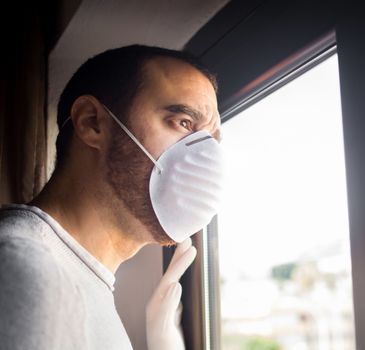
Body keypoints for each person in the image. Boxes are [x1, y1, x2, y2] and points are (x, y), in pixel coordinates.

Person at [0, 45, 224, 350]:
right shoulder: (28, 270)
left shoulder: (80, 277)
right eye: (183, 123)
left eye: (210, 139)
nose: (205, 154)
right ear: (92, 122)